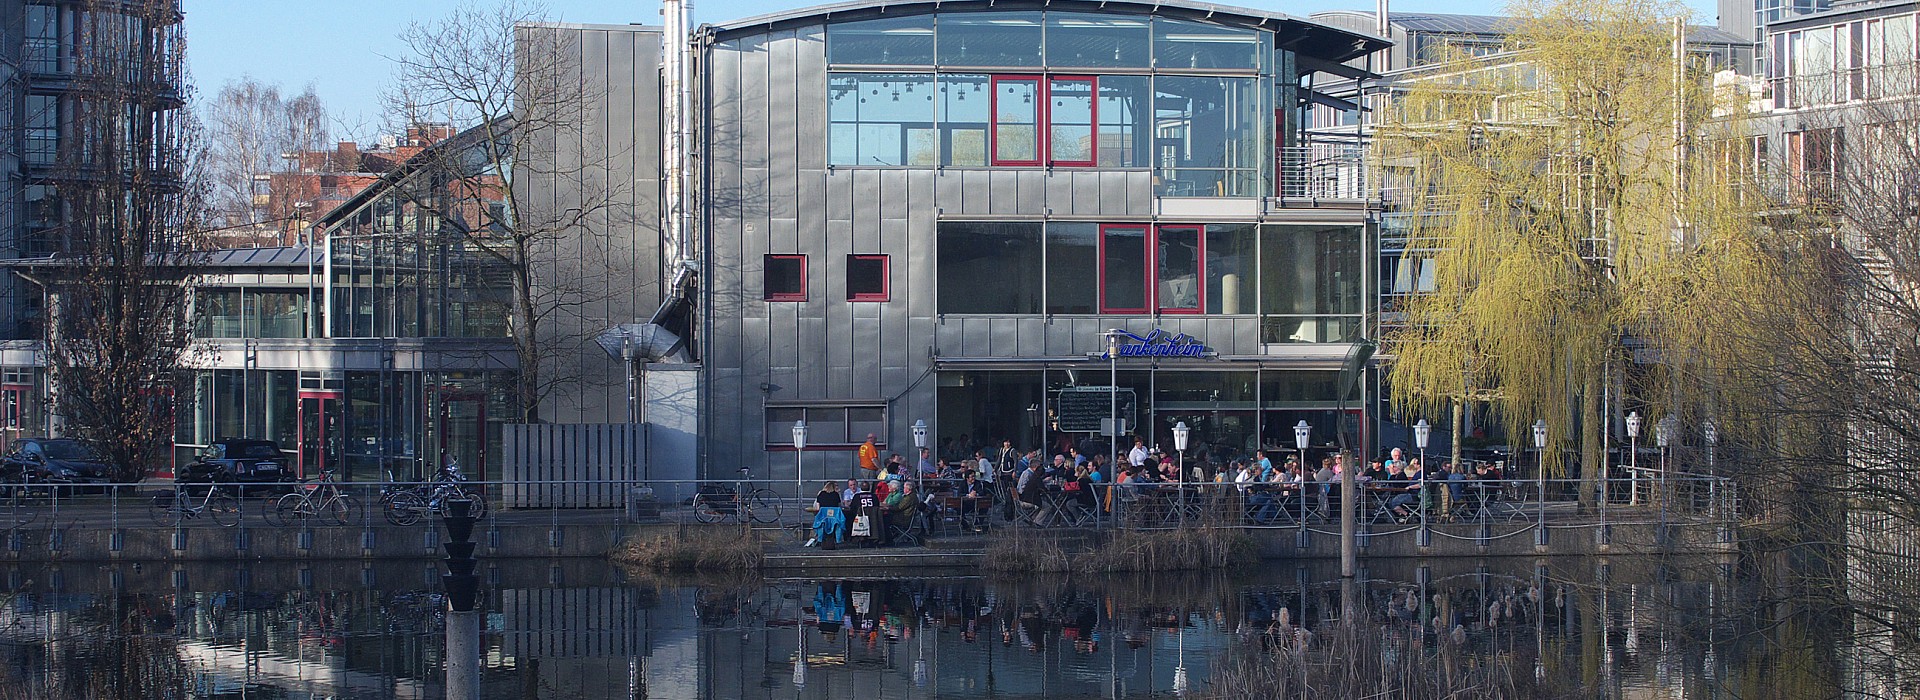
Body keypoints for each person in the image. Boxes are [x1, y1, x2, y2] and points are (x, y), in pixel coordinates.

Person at [807, 481, 845, 548]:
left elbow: (818, 508)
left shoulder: (821, 494)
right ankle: (838, 539)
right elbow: (839, 506)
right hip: (835, 519)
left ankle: (820, 538)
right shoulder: (836, 495)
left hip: (823, 519)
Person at [882, 481, 920, 545]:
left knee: (884, 520)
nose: (903, 489)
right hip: (905, 516)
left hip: (904, 518)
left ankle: (888, 539)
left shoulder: (909, 498)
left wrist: (888, 508)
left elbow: (899, 508)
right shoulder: (913, 496)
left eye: (904, 488)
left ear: (908, 489)